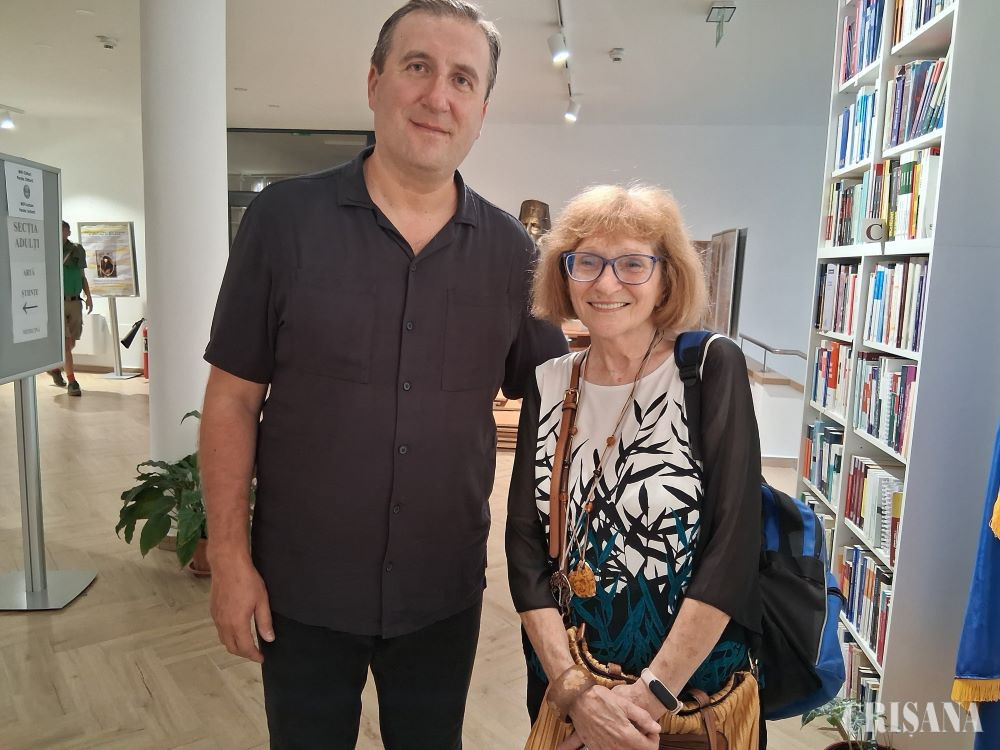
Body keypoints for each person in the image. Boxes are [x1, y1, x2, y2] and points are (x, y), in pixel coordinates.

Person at [199, 2, 566, 748]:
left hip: (441, 592)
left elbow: (564, 404)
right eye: (417, 67)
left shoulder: (513, 255)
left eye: (462, 79)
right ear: (374, 83)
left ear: (482, 111)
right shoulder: (283, 222)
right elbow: (232, 400)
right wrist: (230, 558)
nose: (438, 96)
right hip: (302, 588)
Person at [506, 184, 763, 750]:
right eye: (587, 262)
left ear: (666, 277)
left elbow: (734, 547)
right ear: (564, 274)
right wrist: (576, 694)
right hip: (570, 686)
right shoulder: (549, 381)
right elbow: (524, 549)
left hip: (688, 701)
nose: (605, 283)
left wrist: (645, 701)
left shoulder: (708, 368)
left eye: (632, 263)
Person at [48, 220, 93, 396]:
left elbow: (82, 276)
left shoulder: (77, 250)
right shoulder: (50, 251)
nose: (60, 233)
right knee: (66, 343)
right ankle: (72, 381)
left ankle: (55, 367)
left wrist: (89, 296)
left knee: (72, 341)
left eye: (63, 230)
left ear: (68, 232)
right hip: (58, 302)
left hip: (75, 302)